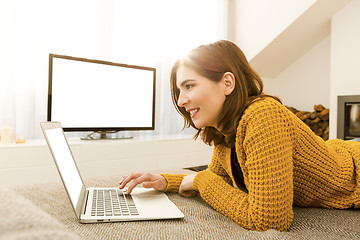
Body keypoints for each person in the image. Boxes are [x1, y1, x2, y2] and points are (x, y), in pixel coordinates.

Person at [119, 40, 360, 231]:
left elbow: (270, 221)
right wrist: (166, 181)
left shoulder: (263, 116)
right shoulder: (226, 127)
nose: (181, 101)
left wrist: (200, 181)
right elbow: (217, 178)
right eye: (179, 91)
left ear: (227, 83)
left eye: (189, 86)